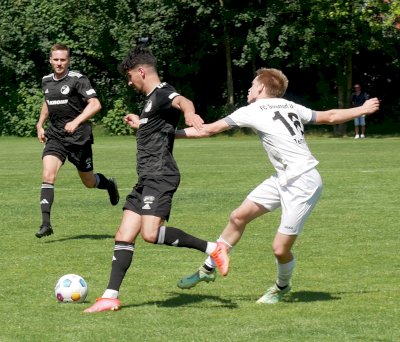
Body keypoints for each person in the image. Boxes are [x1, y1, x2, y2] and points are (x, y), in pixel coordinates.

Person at [175, 68, 380, 304]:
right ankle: (208, 269)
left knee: (280, 249)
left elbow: (208, 130)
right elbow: (331, 116)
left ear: (261, 88)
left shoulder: (253, 110)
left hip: (303, 182)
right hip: (282, 177)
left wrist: (166, 133)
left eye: (252, 85)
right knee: (238, 217)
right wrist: (362, 110)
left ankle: (282, 287)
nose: (249, 89)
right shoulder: (289, 105)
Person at [83, 45, 229, 313]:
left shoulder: (162, 92)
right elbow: (160, 129)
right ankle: (109, 297)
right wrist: (141, 123)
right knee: (124, 234)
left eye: (130, 76)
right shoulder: (151, 101)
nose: (129, 82)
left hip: (160, 176)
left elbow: (181, 100)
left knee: (149, 234)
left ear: (141, 71)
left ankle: (213, 249)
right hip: (145, 178)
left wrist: (189, 112)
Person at [35, 44, 120, 238]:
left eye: (63, 60)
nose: (59, 63)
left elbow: (96, 104)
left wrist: (76, 121)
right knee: (48, 175)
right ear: (50, 60)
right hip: (55, 136)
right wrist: (40, 124)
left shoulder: (78, 80)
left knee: (89, 182)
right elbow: (47, 103)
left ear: (68, 61)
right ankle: (46, 224)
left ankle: (108, 184)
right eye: (56, 59)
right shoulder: (46, 81)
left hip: (79, 138)